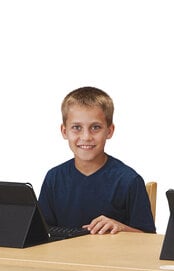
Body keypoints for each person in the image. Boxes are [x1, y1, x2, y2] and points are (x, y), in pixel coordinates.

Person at [38, 86, 156, 235]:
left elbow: (148, 239)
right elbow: (41, 232)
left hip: (112, 257)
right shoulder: (53, 178)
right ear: (64, 131)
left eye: (95, 127)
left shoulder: (129, 181)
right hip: (64, 258)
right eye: (76, 127)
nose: (86, 136)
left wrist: (121, 227)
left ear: (109, 131)